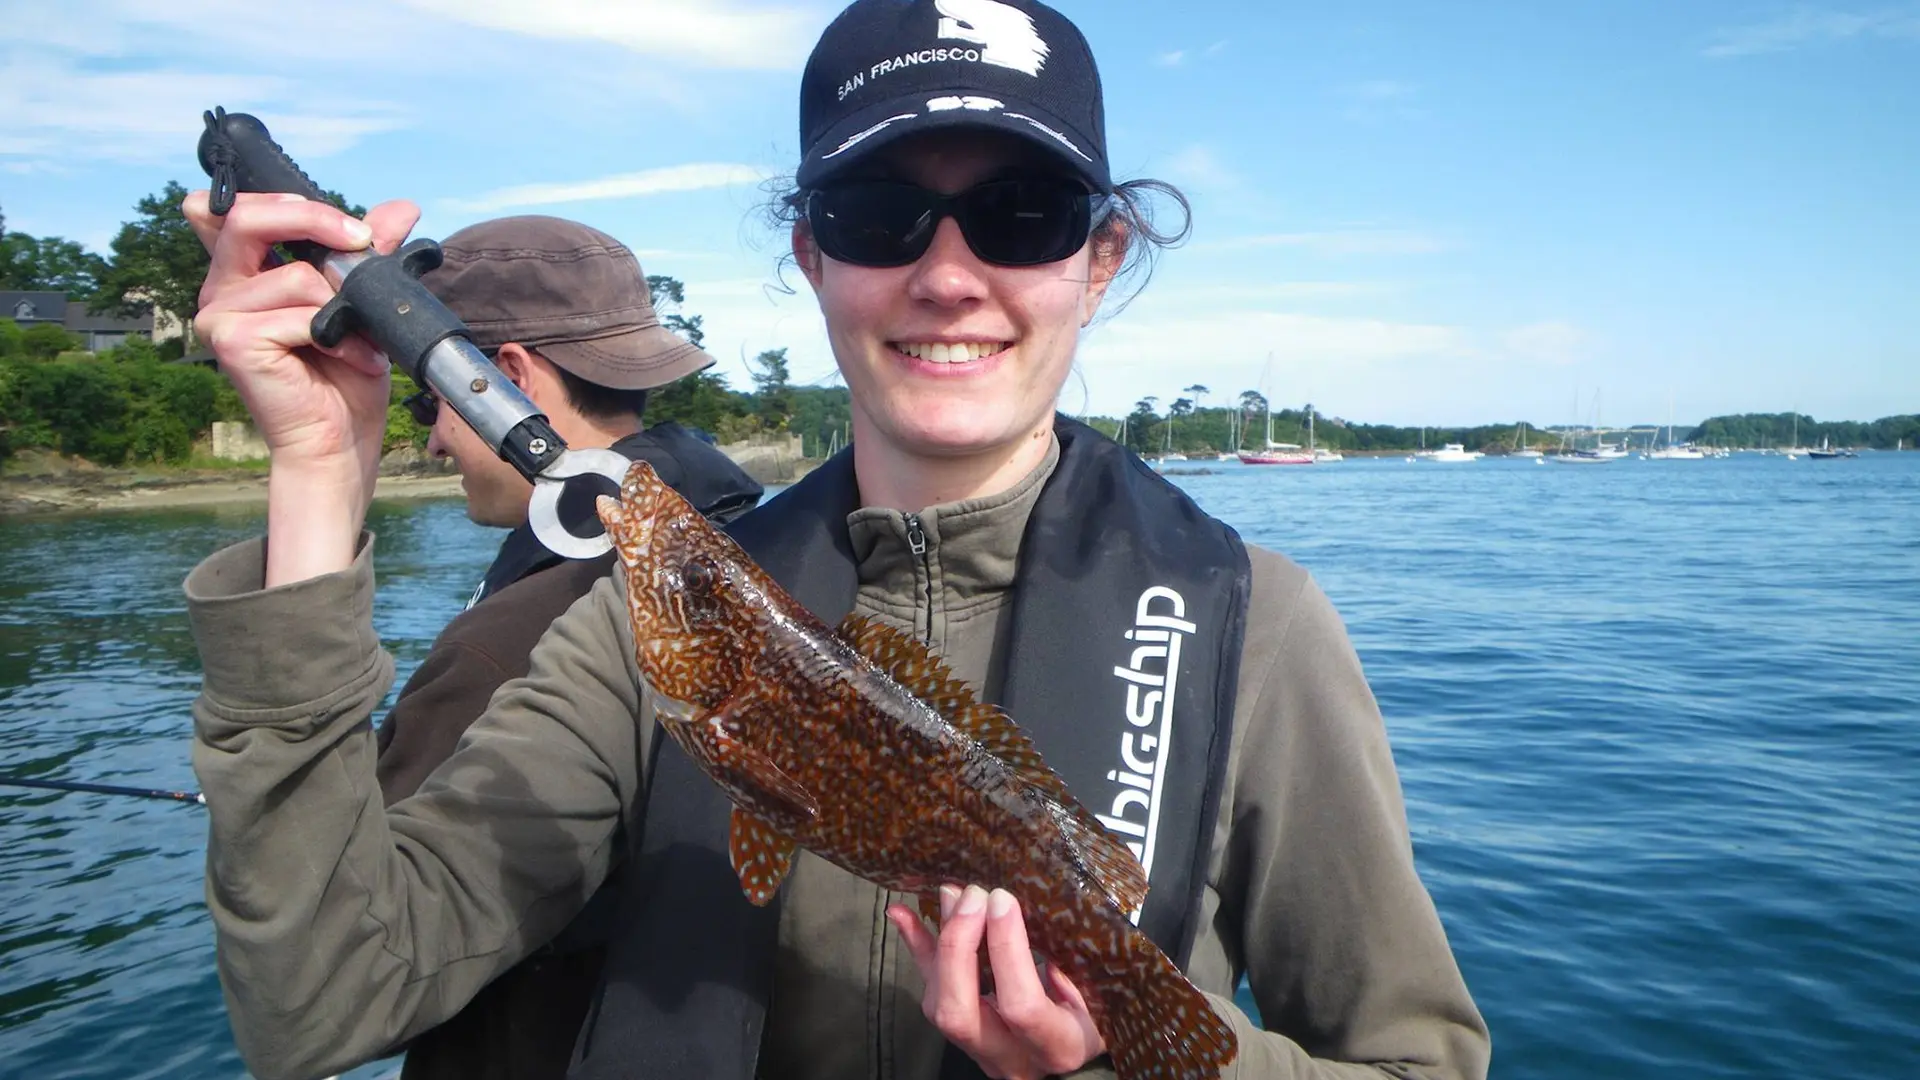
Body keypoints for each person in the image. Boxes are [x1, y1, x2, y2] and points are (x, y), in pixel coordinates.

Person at [183, 2, 1490, 1079]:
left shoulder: (1259, 630)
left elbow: (1418, 1061)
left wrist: (1109, 1068)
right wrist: (313, 470)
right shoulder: (640, 639)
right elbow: (321, 1001)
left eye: (1024, 212)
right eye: (879, 214)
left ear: (1099, 261)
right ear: (810, 257)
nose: (947, 273)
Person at [363, 216, 763, 1078]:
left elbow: (351, 957)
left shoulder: (509, 644)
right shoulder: (762, 549)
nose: (432, 439)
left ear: (504, 379)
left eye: (429, 403)